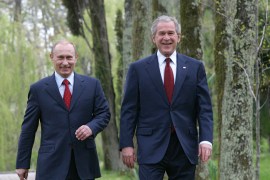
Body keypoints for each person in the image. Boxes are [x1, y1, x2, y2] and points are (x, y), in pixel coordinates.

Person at [119, 15, 213, 180]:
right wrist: (126, 144)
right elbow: (129, 110)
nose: (167, 37)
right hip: (150, 146)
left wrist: (206, 140)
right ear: (153, 38)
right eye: (161, 33)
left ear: (179, 37)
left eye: (171, 33)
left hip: (184, 146)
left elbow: (204, 108)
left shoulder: (195, 67)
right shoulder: (138, 69)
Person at [16, 40, 110, 180]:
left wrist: (91, 127)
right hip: (51, 165)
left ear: (76, 57)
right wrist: (22, 163)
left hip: (84, 164)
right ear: (51, 57)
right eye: (60, 57)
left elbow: (104, 114)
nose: (65, 62)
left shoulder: (92, 85)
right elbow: (28, 129)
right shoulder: (38, 89)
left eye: (69, 57)